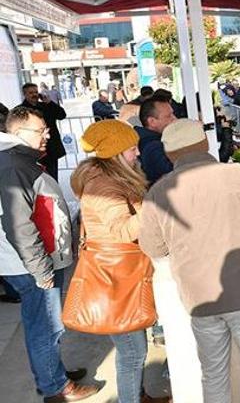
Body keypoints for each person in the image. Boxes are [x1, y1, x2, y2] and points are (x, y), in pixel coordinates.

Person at [139, 119, 240, 403]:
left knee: (214, 375)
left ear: (169, 155)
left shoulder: (158, 192)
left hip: (199, 300)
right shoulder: (237, 175)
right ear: (206, 145)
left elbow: (153, 247)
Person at [0, 107, 99, 402]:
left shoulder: (18, 158)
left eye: (46, 129)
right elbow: (18, 225)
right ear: (18, 133)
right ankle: (56, 388)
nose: (48, 135)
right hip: (30, 264)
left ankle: (52, 374)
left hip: (31, 260)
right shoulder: (13, 164)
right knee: (45, 327)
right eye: (40, 130)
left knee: (42, 325)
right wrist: (42, 270)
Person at [70, 120, 168, 403]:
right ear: (115, 153)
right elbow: (123, 230)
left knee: (134, 350)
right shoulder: (103, 184)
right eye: (131, 148)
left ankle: (139, 396)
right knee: (133, 353)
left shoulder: (114, 177)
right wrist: (156, 202)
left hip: (123, 276)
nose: (137, 153)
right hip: (114, 280)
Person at [21, 83, 67, 181]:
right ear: (25, 94)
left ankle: (55, 196)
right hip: (33, 150)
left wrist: (50, 102)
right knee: (39, 180)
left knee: (53, 177)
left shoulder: (47, 105)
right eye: (31, 93)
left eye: (36, 92)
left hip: (51, 148)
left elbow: (62, 115)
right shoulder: (20, 110)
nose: (34, 94)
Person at [136, 98, 177, 185]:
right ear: (152, 122)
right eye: (168, 116)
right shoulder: (153, 147)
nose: (174, 119)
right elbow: (180, 173)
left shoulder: (149, 140)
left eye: (173, 114)